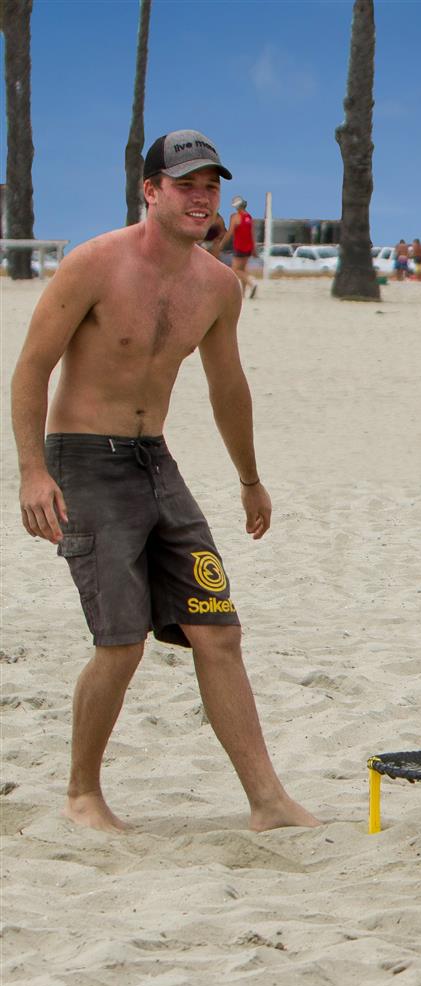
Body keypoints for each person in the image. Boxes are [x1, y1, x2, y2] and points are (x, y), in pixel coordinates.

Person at [9, 129, 319, 834]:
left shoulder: (217, 285)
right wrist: (32, 471)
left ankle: (268, 802)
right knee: (121, 642)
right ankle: (82, 795)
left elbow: (226, 385)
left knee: (218, 630)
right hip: (84, 461)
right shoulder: (92, 265)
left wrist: (249, 477)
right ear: (149, 192)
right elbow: (31, 368)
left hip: (156, 462)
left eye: (209, 187)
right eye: (184, 185)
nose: (200, 198)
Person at [223, 196, 257, 298]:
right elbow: (252, 235)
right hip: (248, 247)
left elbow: (230, 233)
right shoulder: (249, 217)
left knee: (235, 270)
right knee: (243, 269)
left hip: (239, 247)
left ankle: (252, 283)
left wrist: (222, 244)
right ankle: (243, 294)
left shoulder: (235, 217)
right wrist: (254, 249)